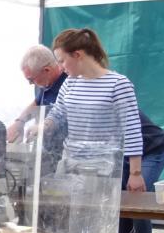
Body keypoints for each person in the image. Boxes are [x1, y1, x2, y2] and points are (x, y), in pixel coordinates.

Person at [42, 28, 147, 190]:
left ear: (77, 55)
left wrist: (135, 173)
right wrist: (43, 126)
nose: (61, 67)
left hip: (103, 168)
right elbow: (58, 112)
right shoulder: (70, 82)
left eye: (62, 61)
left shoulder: (118, 84)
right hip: (70, 165)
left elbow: (132, 130)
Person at [120, 109, 164, 233]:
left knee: (137, 197)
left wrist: (135, 173)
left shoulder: (117, 94)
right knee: (117, 199)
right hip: (122, 153)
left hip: (152, 149)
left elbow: (133, 136)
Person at [7, 45, 67, 142]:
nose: (30, 83)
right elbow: (36, 103)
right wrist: (19, 122)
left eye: (31, 79)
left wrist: (43, 128)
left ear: (46, 70)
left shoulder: (68, 84)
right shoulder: (47, 83)